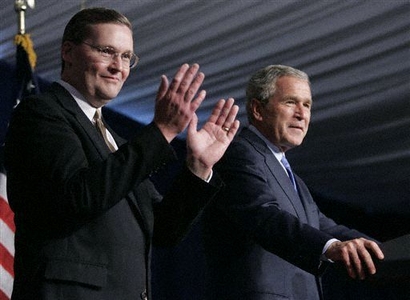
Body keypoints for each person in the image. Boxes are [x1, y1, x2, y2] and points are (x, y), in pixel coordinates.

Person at [5, 7, 240, 300]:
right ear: (68, 51)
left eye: (127, 56)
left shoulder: (114, 140)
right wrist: (162, 131)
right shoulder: (41, 114)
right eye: (107, 51)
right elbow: (77, 197)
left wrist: (198, 167)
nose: (119, 66)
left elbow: (163, 229)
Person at [202, 64, 384, 300]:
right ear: (258, 109)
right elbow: (263, 215)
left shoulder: (291, 177)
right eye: (290, 102)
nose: (302, 114)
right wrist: (330, 247)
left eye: (307, 105)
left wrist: (382, 250)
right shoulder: (237, 152)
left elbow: (322, 226)